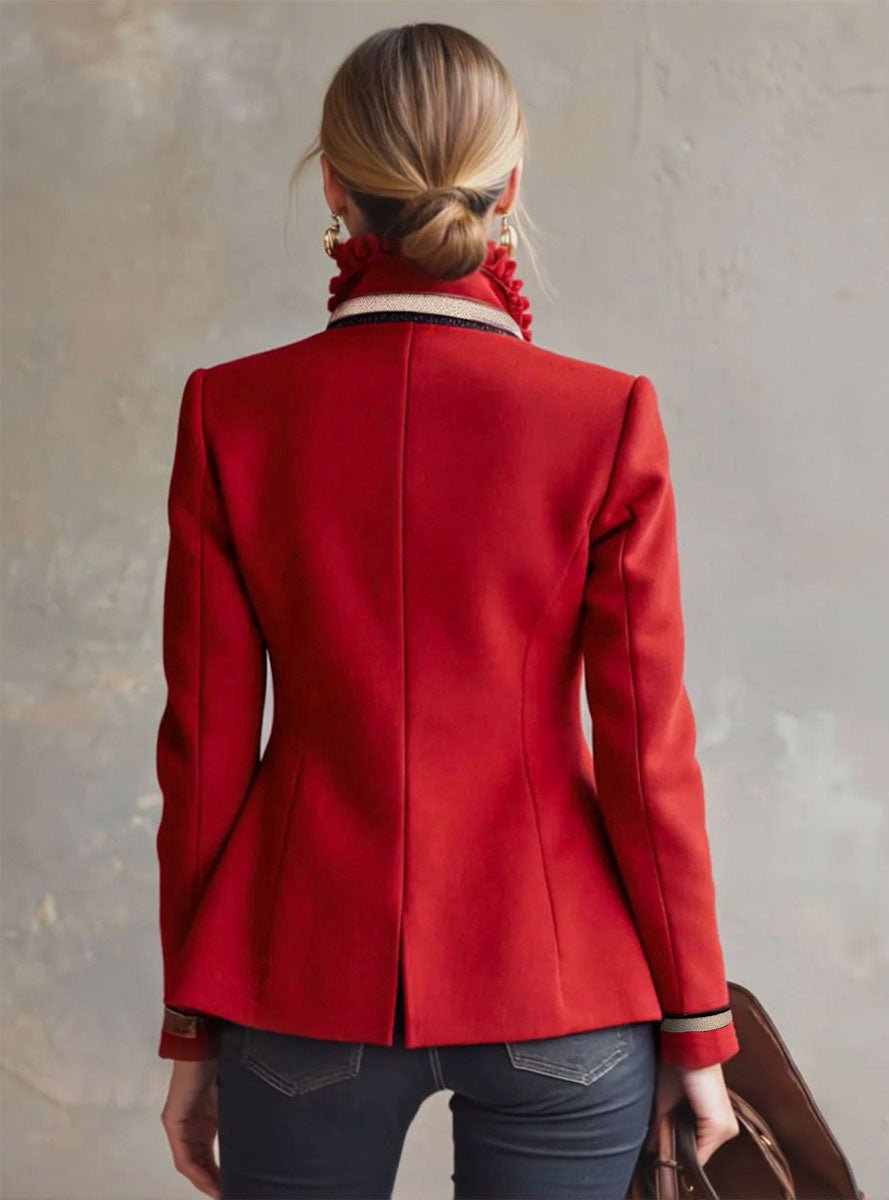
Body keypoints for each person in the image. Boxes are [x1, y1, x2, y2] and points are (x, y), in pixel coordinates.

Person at [155, 22, 740, 1200]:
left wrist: (190, 1024)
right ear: (509, 184)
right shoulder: (604, 417)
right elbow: (648, 753)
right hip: (558, 980)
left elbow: (205, 752)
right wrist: (697, 1025)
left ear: (333, 184)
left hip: (300, 980)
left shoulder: (234, 412)